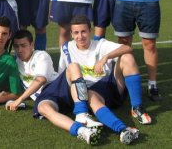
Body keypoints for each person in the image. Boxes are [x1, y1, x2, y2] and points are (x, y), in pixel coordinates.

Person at [50, 15, 151, 144]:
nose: (80, 36)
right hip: (90, 95)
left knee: (127, 57)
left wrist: (106, 57)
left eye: (83, 31)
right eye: (76, 32)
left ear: (90, 31)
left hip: (111, 86)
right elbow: (63, 75)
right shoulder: (66, 48)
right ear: (71, 33)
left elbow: (127, 48)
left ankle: (136, 107)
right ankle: (123, 129)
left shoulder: (100, 44)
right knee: (91, 94)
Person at [5, 29, 58, 111]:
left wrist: (19, 100)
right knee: (44, 109)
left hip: (57, 89)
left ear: (32, 45)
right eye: (16, 46)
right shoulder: (17, 62)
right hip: (46, 98)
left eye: (23, 45)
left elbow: (40, 80)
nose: (19, 50)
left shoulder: (41, 56)